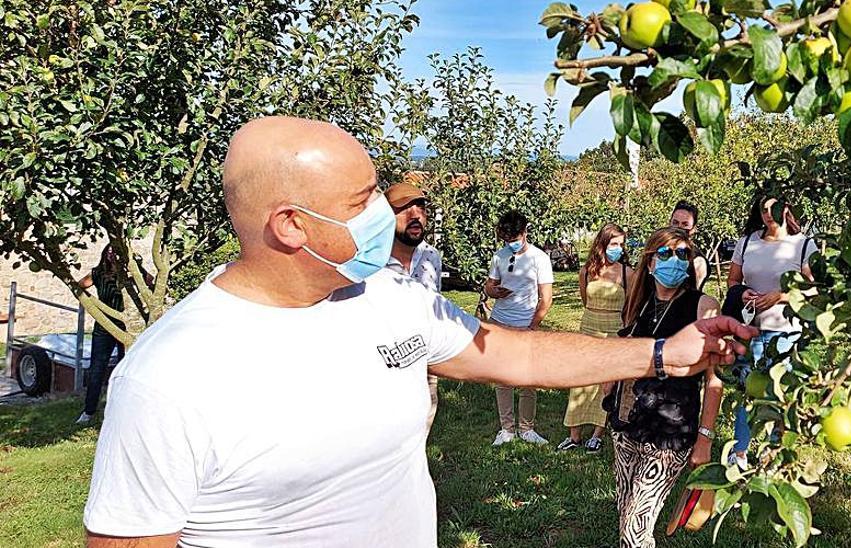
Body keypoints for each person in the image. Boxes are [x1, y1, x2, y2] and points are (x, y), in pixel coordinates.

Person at [82, 116, 755, 548]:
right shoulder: (172, 378)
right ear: (290, 225)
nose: (387, 212)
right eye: (362, 200)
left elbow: (512, 352)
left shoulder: (388, 298)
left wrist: (664, 351)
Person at [605, 227, 724, 548]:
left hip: (670, 431)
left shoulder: (703, 307)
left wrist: (705, 440)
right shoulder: (638, 302)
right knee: (628, 514)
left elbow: (715, 380)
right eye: (665, 253)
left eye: (683, 253)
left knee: (634, 525)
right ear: (650, 262)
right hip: (627, 421)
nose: (675, 260)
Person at [727, 194, 815, 467]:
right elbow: (732, 280)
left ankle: (774, 451)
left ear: (787, 208)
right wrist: (742, 294)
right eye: (762, 209)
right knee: (747, 389)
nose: (768, 214)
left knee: (780, 395)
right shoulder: (747, 242)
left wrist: (781, 296)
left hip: (785, 332)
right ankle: (739, 451)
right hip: (750, 328)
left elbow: (814, 290)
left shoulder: (802, 245)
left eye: (773, 208)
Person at [484, 210, 554, 446]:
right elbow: (489, 286)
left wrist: (532, 326)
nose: (510, 243)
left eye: (514, 238)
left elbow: (546, 298)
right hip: (500, 322)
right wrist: (494, 291)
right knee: (502, 378)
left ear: (525, 232)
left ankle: (527, 428)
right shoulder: (499, 256)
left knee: (528, 379)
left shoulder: (539, 258)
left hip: (526, 324)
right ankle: (507, 429)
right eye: (506, 239)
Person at [557, 223, 627, 453]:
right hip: (588, 329)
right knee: (580, 381)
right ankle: (574, 435)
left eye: (621, 244)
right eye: (614, 243)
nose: (618, 248)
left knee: (605, 385)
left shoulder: (629, 273)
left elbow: (631, 307)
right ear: (602, 244)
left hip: (613, 332)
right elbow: (585, 301)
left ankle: (597, 434)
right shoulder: (587, 271)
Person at [383, 182, 445, 439]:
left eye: (420, 208)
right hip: (383, 358)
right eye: (404, 209)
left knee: (424, 416)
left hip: (424, 356)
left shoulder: (431, 256)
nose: (415, 215)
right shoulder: (371, 259)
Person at [75, 246, 127, 425]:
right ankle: (89, 411)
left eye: (116, 253)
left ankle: (121, 409)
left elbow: (150, 282)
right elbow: (80, 286)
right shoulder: (97, 273)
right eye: (110, 252)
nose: (113, 256)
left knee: (125, 367)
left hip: (126, 326)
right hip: (104, 326)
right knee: (97, 368)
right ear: (104, 254)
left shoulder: (128, 272)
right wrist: (92, 304)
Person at [669, 200, 709, 289]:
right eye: (675, 223)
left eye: (685, 224)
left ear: (693, 229)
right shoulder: (659, 250)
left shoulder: (698, 261)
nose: (679, 228)